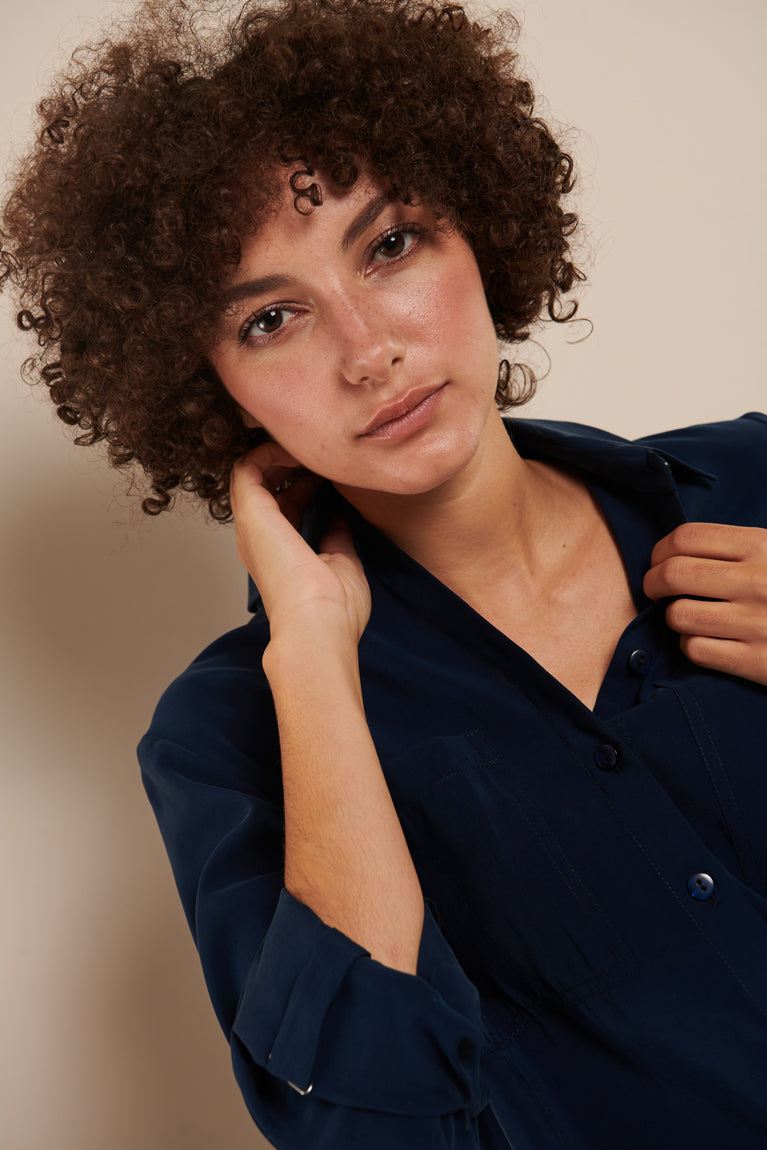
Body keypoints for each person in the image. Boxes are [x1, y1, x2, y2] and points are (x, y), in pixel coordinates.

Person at [2, 0, 766, 1147]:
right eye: (272, 318)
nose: (367, 352)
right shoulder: (228, 738)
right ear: (209, 386)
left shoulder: (750, 483)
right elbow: (373, 1130)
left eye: (391, 244)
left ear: (480, 226)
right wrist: (313, 662)